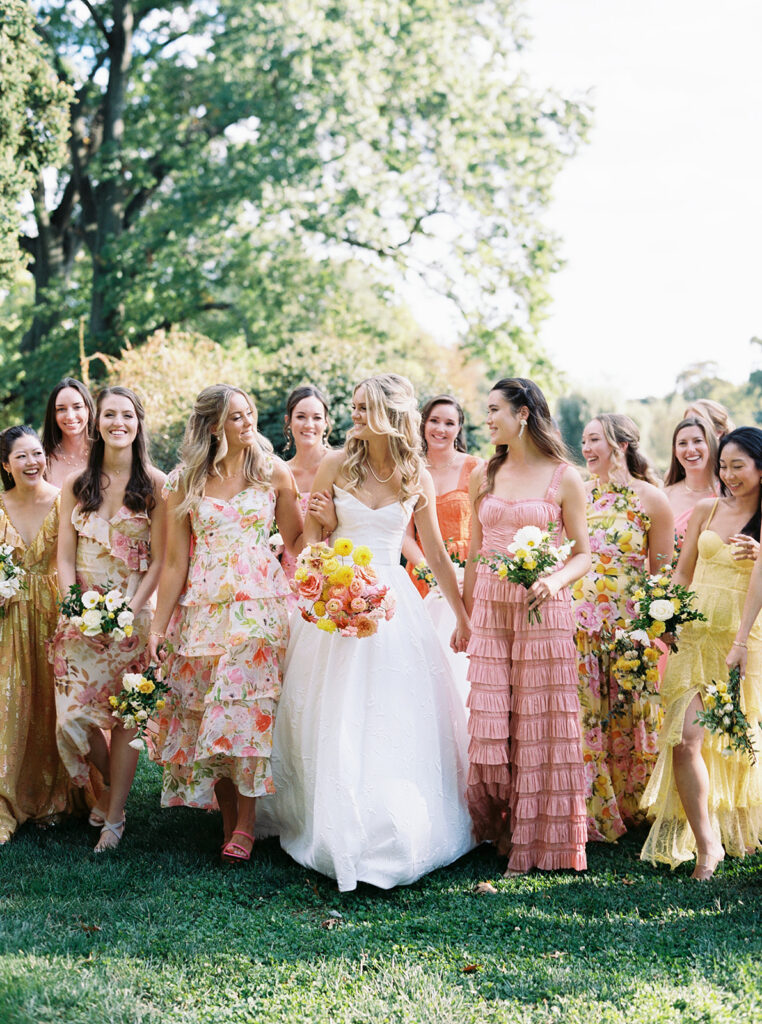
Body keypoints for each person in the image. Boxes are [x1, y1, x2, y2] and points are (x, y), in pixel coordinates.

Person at [272, 373, 475, 891]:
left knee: (394, 712)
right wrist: (325, 522)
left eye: (363, 408)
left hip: (393, 603)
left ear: (389, 414)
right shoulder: (337, 463)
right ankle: (332, 819)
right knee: (335, 708)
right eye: (355, 407)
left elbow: (434, 553)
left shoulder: (416, 474)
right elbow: (312, 543)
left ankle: (394, 821)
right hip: (339, 598)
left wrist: (463, 615)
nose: (354, 415)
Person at [148, 385, 312, 864]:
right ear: (213, 426)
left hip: (258, 605)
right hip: (203, 608)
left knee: (244, 709)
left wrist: (325, 521)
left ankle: (245, 825)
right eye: (237, 418)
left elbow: (296, 539)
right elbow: (176, 562)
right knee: (208, 711)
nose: (248, 424)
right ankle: (228, 821)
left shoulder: (272, 471)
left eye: (250, 414)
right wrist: (159, 628)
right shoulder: (183, 482)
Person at [463, 378, 591, 875]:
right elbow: (474, 552)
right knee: (493, 722)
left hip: (544, 609)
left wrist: (555, 580)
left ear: (523, 414)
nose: (487, 418)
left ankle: (542, 837)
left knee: (541, 721)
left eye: (494, 409)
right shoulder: (484, 473)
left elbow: (582, 553)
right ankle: (501, 825)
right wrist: (465, 616)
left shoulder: (565, 477)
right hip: (492, 610)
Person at [641, 427, 762, 878]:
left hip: (743, 639)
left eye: (739, 467)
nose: (729, 475)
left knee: (737, 739)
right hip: (694, 635)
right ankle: (707, 845)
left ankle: (740, 828)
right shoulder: (708, 509)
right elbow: (682, 572)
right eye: (724, 466)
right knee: (686, 739)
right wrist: (663, 619)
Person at [52, 386, 166, 852]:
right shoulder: (76, 486)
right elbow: (63, 557)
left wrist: (130, 612)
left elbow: (161, 560)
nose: (118, 423)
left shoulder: (156, 485)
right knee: (71, 720)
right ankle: (102, 789)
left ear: (138, 423)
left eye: (127, 415)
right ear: (98, 422)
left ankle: (114, 817)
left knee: (125, 720)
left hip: (133, 616)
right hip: (81, 619)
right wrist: (74, 608)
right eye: (110, 415)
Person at [573, 414, 674, 841]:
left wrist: (652, 628)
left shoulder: (651, 498)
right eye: (583, 440)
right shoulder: (581, 492)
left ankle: (634, 805)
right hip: (581, 624)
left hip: (629, 631)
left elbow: (662, 572)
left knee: (630, 717)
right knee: (586, 715)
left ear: (621, 444)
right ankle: (591, 810)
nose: (586, 448)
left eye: (594, 439)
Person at [0, 427, 81, 842]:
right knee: (12, 701)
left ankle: (54, 797)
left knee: (53, 701)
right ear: (5, 464)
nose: (32, 463)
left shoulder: (65, 498)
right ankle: (7, 799)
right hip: (9, 617)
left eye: (37, 454)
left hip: (54, 609)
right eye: (21, 457)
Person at [401, 394, 482, 700]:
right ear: (423, 424)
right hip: (423, 571)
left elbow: (485, 526)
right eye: (435, 421)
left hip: (470, 571)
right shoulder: (409, 470)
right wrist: (432, 572)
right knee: (426, 660)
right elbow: (404, 534)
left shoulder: (477, 469)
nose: (441, 429)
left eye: (449, 423)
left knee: (465, 658)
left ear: (459, 429)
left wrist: (469, 573)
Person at [279, 385, 333, 610]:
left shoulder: (340, 467)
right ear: (288, 421)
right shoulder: (280, 473)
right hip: (289, 581)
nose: (309, 425)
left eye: (317, 417)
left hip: (334, 574)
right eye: (301, 417)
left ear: (326, 423)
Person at [664, 417, 720, 550]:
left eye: (698, 441)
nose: (690, 449)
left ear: (711, 445)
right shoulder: (665, 496)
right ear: (675, 451)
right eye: (682, 443)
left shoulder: (729, 493)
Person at [42, 378, 95, 489]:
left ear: (88, 409)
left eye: (77, 407)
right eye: (61, 409)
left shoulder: (104, 454)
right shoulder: (43, 460)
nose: (70, 416)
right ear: (53, 414)